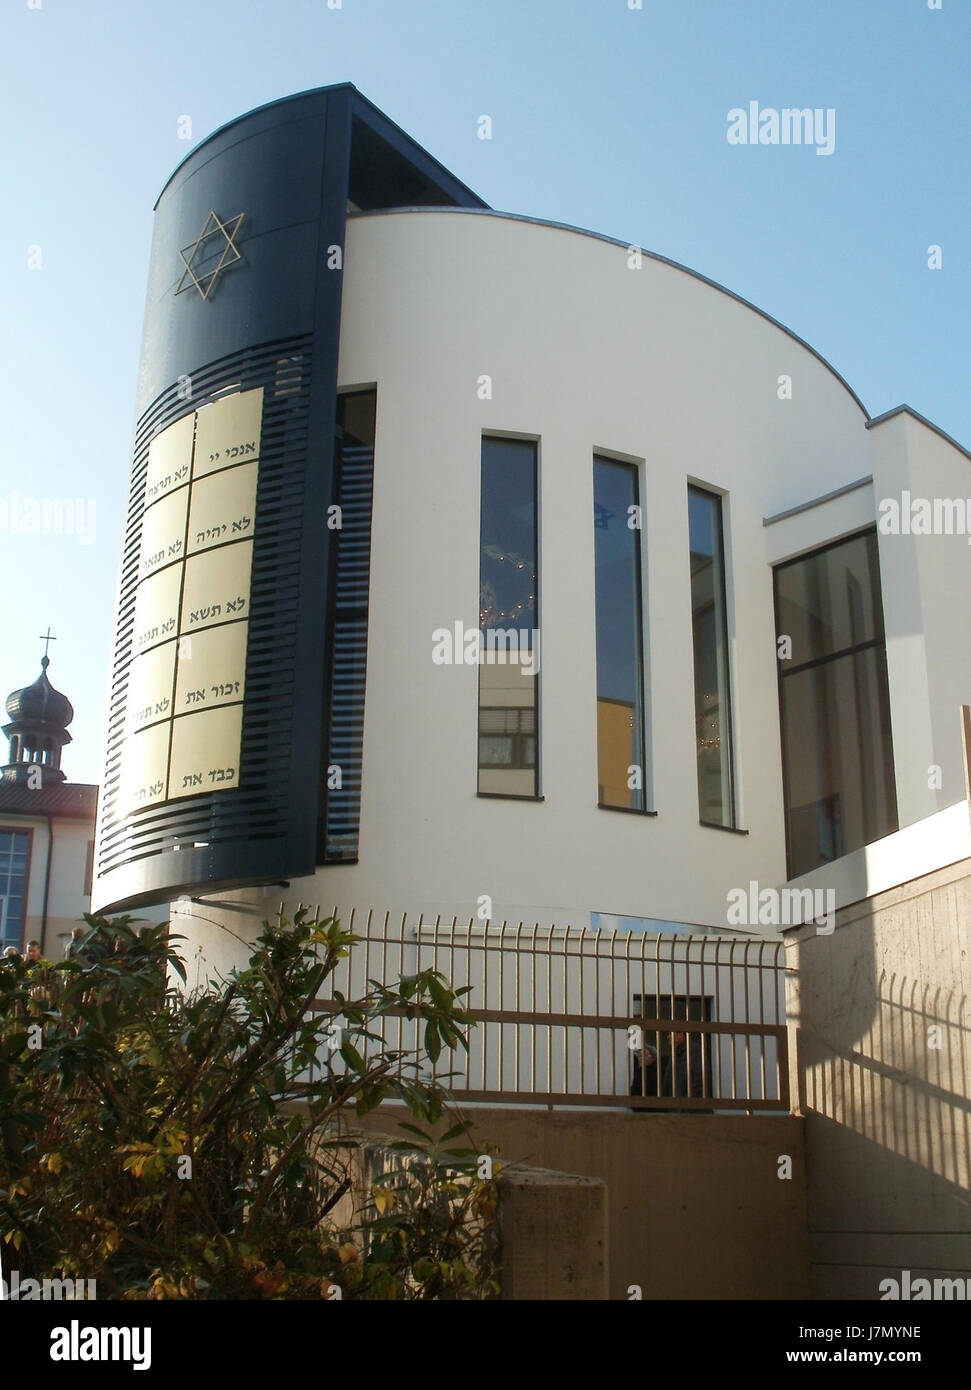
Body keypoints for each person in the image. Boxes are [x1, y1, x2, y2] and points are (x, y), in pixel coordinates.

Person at [662, 1028, 707, 1109]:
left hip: (687, 1108)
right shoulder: (677, 1052)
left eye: (670, 1034)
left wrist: (686, 1103)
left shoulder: (692, 1051)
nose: (668, 1037)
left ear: (681, 1034)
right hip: (678, 1105)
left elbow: (699, 1078)